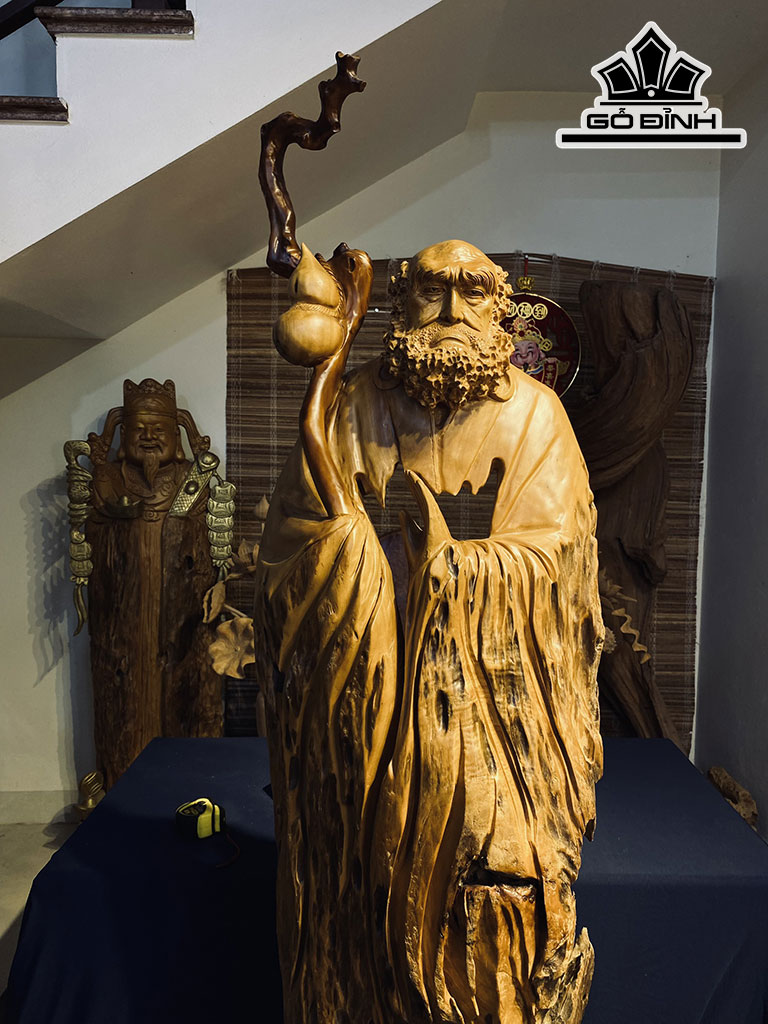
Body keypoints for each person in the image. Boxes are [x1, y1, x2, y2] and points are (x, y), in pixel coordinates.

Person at [255, 241, 603, 1024]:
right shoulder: (353, 405)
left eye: (472, 290)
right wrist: (356, 560)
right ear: (400, 301)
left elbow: (560, 558)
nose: (451, 307)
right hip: (370, 707)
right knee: (354, 892)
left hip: (491, 720)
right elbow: (292, 546)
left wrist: (448, 568)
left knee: (491, 907)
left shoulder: (537, 416)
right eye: (432, 288)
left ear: (500, 309)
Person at [83, 378, 223, 787]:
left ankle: (188, 788)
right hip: (122, 623)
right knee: (122, 702)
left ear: (176, 437)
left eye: (158, 429)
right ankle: (120, 787)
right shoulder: (108, 482)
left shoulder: (194, 482)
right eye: (138, 429)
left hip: (180, 621)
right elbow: (92, 540)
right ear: (122, 436)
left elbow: (211, 550)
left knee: (186, 697)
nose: (148, 437)